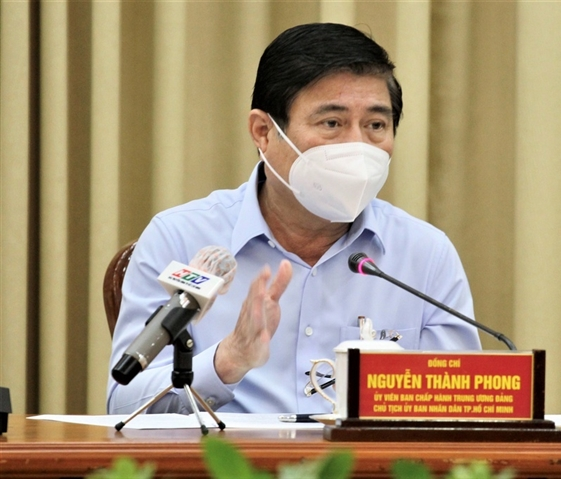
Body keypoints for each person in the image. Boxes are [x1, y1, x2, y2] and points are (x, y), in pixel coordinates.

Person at [107, 23, 482, 415]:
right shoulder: (179, 238)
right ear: (263, 132)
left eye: (375, 125)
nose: (357, 146)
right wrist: (228, 360)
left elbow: (460, 410)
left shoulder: (424, 254)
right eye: (332, 123)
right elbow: (123, 403)